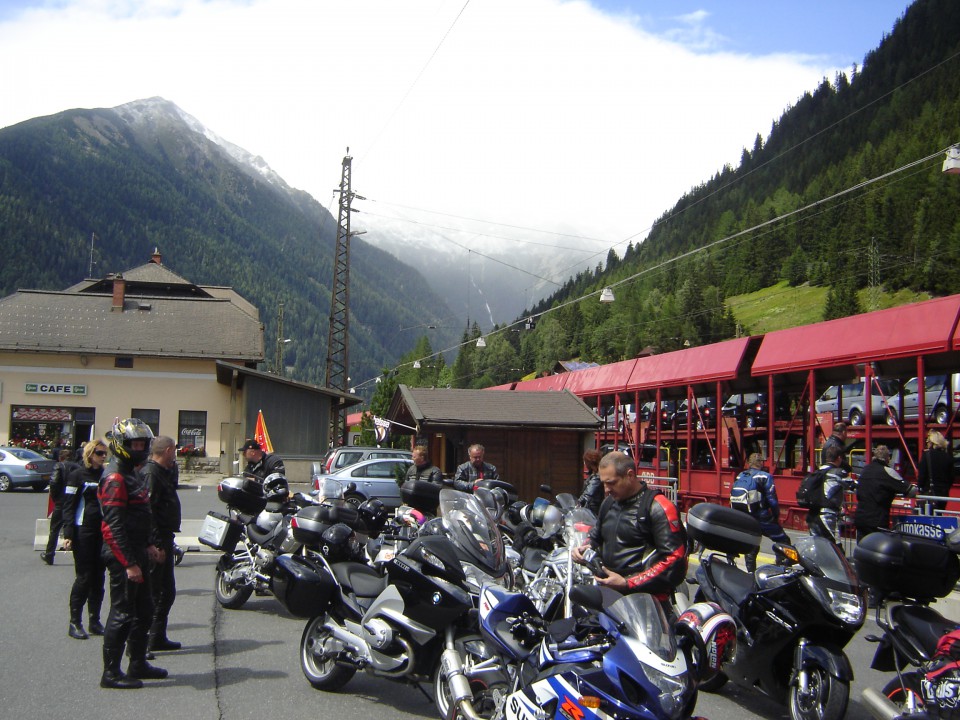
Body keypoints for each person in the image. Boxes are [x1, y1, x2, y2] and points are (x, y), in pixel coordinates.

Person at [98, 418, 167, 689]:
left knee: (145, 609)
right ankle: (111, 673)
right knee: (122, 612)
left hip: (138, 549)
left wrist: (149, 545)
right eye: (134, 444)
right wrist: (128, 563)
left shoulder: (131, 473)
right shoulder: (115, 476)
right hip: (122, 554)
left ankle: (137, 662)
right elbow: (112, 526)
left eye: (142, 443)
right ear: (122, 445)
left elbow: (140, 514)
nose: (139, 448)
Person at [571, 452, 687, 610]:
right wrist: (583, 548)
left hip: (647, 604)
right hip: (609, 597)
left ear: (630, 475)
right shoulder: (608, 503)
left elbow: (675, 560)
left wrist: (628, 583)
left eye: (611, 483)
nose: (606, 489)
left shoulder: (658, 507)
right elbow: (596, 538)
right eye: (603, 483)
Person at [62, 439, 108, 640]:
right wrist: (68, 534)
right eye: (99, 453)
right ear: (90, 454)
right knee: (84, 577)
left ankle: (95, 620)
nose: (103, 457)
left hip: (102, 531)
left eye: (105, 453)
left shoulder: (105, 475)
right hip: (83, 530)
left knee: (99, 577)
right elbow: (68, 505)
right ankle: (75, 622)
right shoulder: (76, 475)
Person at [140, 436, 182, 653]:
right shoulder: (151, 473)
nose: (175, 453)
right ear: (167, 450)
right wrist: (156, 545)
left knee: (167, 592)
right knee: (155, 593)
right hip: (157, 541)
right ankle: (145, 640)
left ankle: (157, 637)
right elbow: (148, 512)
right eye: (174, 449)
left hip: (166, 537)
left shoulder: (163, 471)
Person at [728, 453, 790, 572]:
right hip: (761, 516)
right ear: (761, 462)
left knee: (753, 544)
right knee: (783, 540)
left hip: (745, 516)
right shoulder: (765, 476)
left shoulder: (741, 475)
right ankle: (782, 567)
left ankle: (751, 572)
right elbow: (772, 500)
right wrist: (775, 516)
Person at [854, 444, 918, 543]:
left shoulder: (865, 470)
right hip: (877, 520)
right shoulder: (887, 472)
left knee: (862, 550)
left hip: (860, 518)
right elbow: (910, 490)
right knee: (876, 551)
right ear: (888, 458)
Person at [806, 444, 854, 545]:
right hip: (827, 515)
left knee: (817, 546)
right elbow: (853, 485)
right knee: (835, 549)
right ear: (839, 458)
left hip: (812, 514)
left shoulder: (818, 471)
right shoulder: (838, 472)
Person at [42, 449, 77, 565]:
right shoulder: (78, 467)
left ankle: (49, 554)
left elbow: (54, 482)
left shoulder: (59, 466)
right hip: (74, 502)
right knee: (75, 528)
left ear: (61, 458)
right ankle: (79, 556)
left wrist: (56, 497)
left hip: (61, 502)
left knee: (54, 530)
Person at [918, 430, 954, 513]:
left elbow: (922, 476)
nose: (927, 442)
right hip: (943, 495)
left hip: (929, 493)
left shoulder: (926, 455)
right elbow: (951, 477)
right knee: (939, 517)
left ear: (932, 442)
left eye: (928, 440)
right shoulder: (948, 457)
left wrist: (920, 487)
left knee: (926, 520)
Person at [578, 449, 603, 515]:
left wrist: (577, 504)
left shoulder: (597, 477)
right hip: (592, 509)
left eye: (585, 462)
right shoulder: (594, 474)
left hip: (592, 511)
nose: (584, 464)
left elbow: (588, 494)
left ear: (588, 462)